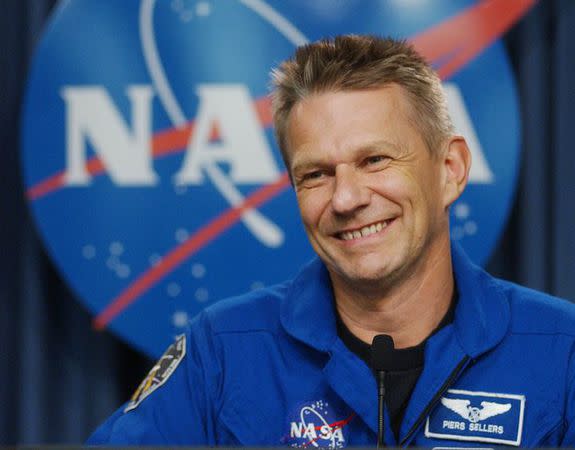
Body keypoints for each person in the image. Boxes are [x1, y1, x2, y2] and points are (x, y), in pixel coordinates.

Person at [88, 35, 575, 447]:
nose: (345, 198)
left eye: (375, 160)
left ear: (450, 170)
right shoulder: (223, 350)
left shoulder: (562, 348)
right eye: (316, 174)